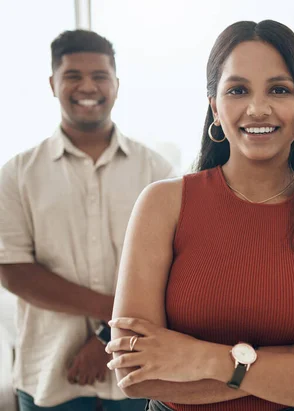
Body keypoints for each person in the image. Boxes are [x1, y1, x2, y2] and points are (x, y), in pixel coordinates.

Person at [105, 20, 294, 411]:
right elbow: (136, 374)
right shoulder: (163, 203)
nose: (258, 108)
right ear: (215, 109)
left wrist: (204, 359)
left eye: (279, 89)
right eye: (238, 90)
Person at [0, 30, 176, 410]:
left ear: (116, 84)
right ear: (52, 84)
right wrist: (113, 319)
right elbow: (14, 271)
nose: (87, 87)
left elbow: (173, 270)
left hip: (140, 373)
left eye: (99, 76)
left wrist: (103, 339)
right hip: (48, 376)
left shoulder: (157, 171)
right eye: (72, 76)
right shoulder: (16, 173)